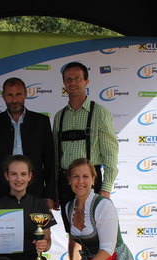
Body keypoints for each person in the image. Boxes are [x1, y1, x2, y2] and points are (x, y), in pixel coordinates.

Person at [53, 62, 118, 228]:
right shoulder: (59, 116)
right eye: (68, 79)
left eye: (77, 79)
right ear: (64, 83)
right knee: (73, 232)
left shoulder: (100, 113)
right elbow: (55, 155)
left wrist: (105, 189)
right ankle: (73, 256)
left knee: (94, 232)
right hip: (66, 181)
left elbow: (110, 153)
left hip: (91, 182)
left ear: (86, 82)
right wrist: (54, 189)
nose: (73, 83)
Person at [0, 77, 56, 209]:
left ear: (26, 94)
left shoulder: (41, 122)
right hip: (0, 192)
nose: (14, 100)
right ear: (3, 96)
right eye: (10, 95)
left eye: (18, 94)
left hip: (36, 191)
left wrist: (50, 195)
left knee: (37, 230)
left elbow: (50, 161)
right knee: (4, 229)